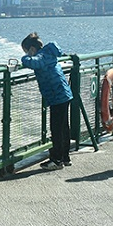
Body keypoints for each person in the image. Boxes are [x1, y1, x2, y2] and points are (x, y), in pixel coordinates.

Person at [20, 32, 74, 170]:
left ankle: (56, 160)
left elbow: (32, 62)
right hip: (63, 93)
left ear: (32, 49)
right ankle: (65, 157)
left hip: (56, 96)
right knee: (63, 127)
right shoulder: (50, 53)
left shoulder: (42, 56)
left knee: (56, 128)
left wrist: (24, 57)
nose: (28, 54)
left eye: (27, 51)